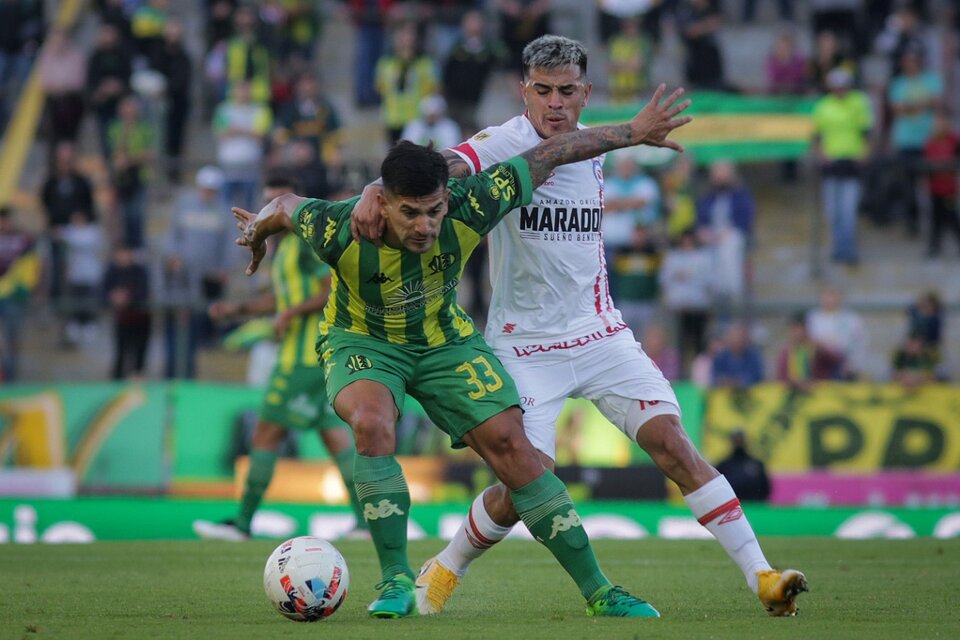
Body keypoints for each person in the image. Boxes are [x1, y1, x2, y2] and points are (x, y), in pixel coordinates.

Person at [351, 35, 806, 618]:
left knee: (673, 444)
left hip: (601, 333)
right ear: (524, 92)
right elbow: (436, 168)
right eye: (542, 91)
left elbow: (605, 146)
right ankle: (447, 565)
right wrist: (373, 189)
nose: (554, 103)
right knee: (524, 485)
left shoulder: (594, 144)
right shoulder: (501, 143)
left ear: (585, 92)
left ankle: (763, 577)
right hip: (523, 345)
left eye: (567, 91)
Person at [234, 85, 694, 619]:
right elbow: (286, 206)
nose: (427, 225)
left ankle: (600, 590)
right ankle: (395, 581)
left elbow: (550, 153)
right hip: (363, 340)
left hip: (443, 340)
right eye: (411, 213)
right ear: (382, 203)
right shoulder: (342, 225)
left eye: (434, 210)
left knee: (515, 450)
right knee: (371, 423)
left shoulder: (475, 200)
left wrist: (630, 134)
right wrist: (257, 229)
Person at [193, 175, 366, 542]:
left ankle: (242, 524)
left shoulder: (304, 245)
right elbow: (282, 299)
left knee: (266, 432)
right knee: (336, 440)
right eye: (266, 204)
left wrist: (290, 316)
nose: (269, 212)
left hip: (303, 359)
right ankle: (365, 525)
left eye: (276, 205)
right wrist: (237, 310)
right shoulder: (284, 248)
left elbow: (328, 289)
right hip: (312, 359)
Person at [716, 431, 770, 503]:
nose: (738, 442)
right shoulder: (723, 466)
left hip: (754, 509)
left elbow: (765, 490)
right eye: (736, 439)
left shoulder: (757, 465)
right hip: (732, 509)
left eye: (740, 439)